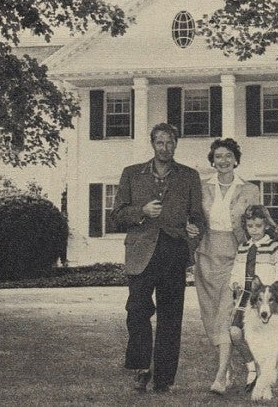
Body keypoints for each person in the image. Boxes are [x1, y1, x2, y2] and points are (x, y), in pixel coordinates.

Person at [111, 123, 205, 393]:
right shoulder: (131, 174)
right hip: (141, 251)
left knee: (170, 317)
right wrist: (141, 211)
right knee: (137, 310)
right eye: (160, 142)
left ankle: (163, 378)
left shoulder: (189, 176)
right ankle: (142, 367)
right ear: (152, 144)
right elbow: (116, 215)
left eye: (170, 142)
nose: (165, 147)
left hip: (173, 250)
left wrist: (193, 235)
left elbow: (197, 217)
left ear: (176, 144)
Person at [193, 138, 260, 394]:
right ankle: (229, 366)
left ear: (235, 159)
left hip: (236, 257)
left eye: (228, 155)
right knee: (210, 315)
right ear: (213, 160)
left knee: (225, 314)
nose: (223, 161)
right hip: (206, 255)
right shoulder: (201, 188)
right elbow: (194, 218)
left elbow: (257, 224)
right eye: (218, 156)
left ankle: (221, 376)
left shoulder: (250, 189)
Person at [228, 204, 278, 393]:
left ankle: (265, 375)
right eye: (250, 226)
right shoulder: (243, 247)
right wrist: (235, 284)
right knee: (234, 333)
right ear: (245, 227)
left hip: (264, 298)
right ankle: (251, 368)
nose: (254, 230)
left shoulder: (274, 246)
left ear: (265, 226)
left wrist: (273, 289)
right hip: (246, 298)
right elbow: (235, 273)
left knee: (264, 339)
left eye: (258, 226)